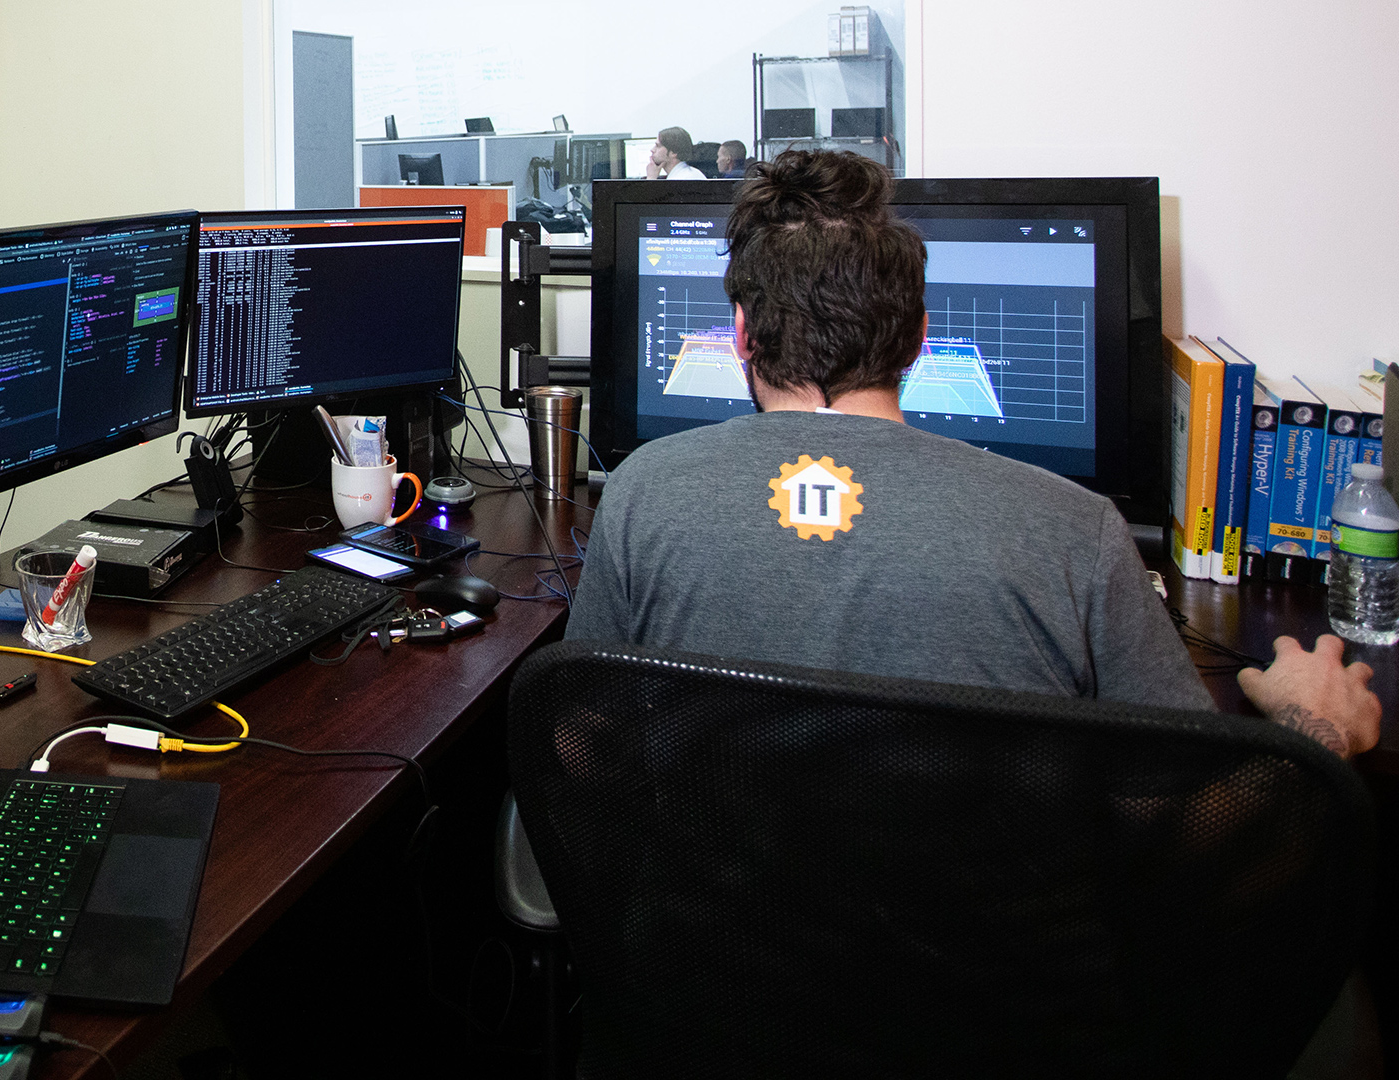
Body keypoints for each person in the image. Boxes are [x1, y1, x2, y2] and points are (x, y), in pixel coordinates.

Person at [567, 148, 1379, 760]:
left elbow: (581, 743)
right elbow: (1192, 814)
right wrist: (1322, 732)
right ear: (920, 338)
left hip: (710, 968)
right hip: (994, 982)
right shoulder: (1077, 531)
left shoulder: (641, 494)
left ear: (739, 334)